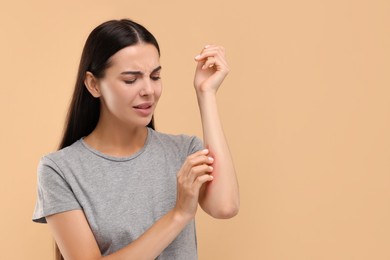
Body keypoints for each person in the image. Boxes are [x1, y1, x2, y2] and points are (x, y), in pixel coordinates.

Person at [32, 19, 239, 260]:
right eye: (131, 79)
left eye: (155, 76)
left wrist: (206, 93)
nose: (148, 90)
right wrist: (179, 214)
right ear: (93, 84)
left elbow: (225, 207)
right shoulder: (60, 169)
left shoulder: (184, 151)